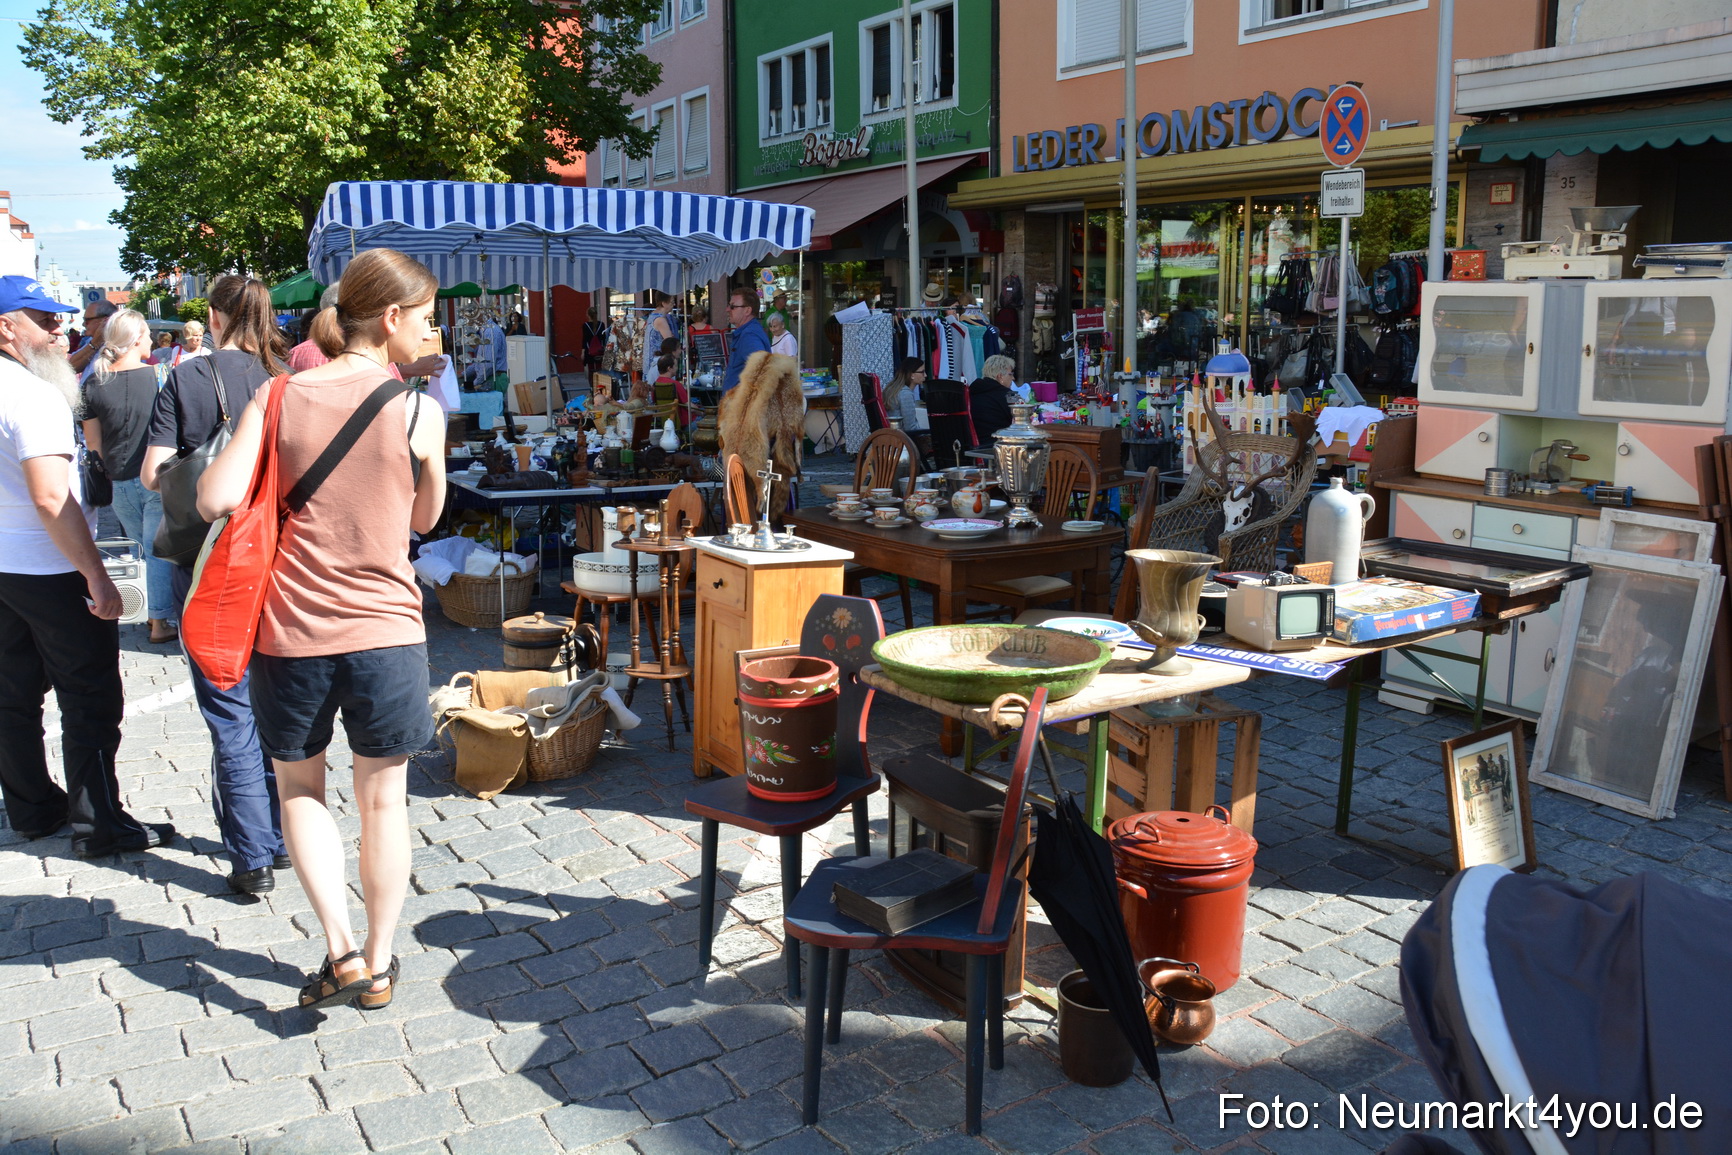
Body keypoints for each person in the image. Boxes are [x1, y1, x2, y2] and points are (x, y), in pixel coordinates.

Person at [197, 247, 445, 1013]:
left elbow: (214, 498)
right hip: (386, 632)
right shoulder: (417, 408)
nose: (432, 335)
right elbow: (422, 520)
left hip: (292, 633)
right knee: (384, 802)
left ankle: (337, 947)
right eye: (428, 319)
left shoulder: (278, 396)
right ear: (392, 318)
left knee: (301, 789)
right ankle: (377, 962)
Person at [0, 276, 171, 857]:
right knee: (89, 694)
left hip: (9, 564)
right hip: (50, 567)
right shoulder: (31, 394)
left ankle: (31, 808)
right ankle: (98, 821)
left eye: (58, 319)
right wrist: (96, 574)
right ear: (6, 327)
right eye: (42, 320)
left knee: (12, 692)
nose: (59, 331)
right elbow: (52, 497)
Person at [141, 275, 290, 895]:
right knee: (275, 709)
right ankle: (281, 839)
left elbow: (153, 474)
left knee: (230, 710)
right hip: (279, 562)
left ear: (213, 316)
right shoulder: (288, 379)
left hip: (208, 564)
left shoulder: (188, 377)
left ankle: (252, 855)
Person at [81, 308, 177, 643]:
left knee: (142, 548)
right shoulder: (160, 377)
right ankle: (159, 621)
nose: (151, 339)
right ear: (136, 338)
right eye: (147, 334)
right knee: (157, 551)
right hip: (155, 478)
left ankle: (153, 613)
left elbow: (93, 445)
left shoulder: (92, 384)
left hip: (117, 481)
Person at [720, 290, 770, 393]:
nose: (727, 309)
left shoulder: (749, 335)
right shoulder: (748, 332)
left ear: (747, 310)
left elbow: (761, 369)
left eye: (733, 306)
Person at [969, 353, 1018, 444]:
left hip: (974, 445)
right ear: (1000, 376)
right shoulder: (1009, 395)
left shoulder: (971, 391)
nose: (1013, 378)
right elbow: (1021, 419)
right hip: (1000, 445)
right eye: (1010, 374)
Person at [68, 299, 118, 380]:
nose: (83, 324)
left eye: (87, 320)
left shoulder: (121, 343)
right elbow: (71, 367)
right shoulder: (91, 341)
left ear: (105, 320)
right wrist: (94, 344)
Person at [640, 292, 676, 383]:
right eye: (671, 302)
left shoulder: (652, 315)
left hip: (650, 362)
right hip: (658, 363)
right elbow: (670, 342)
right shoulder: (660, 320)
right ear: (664, 303)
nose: (674, 304)